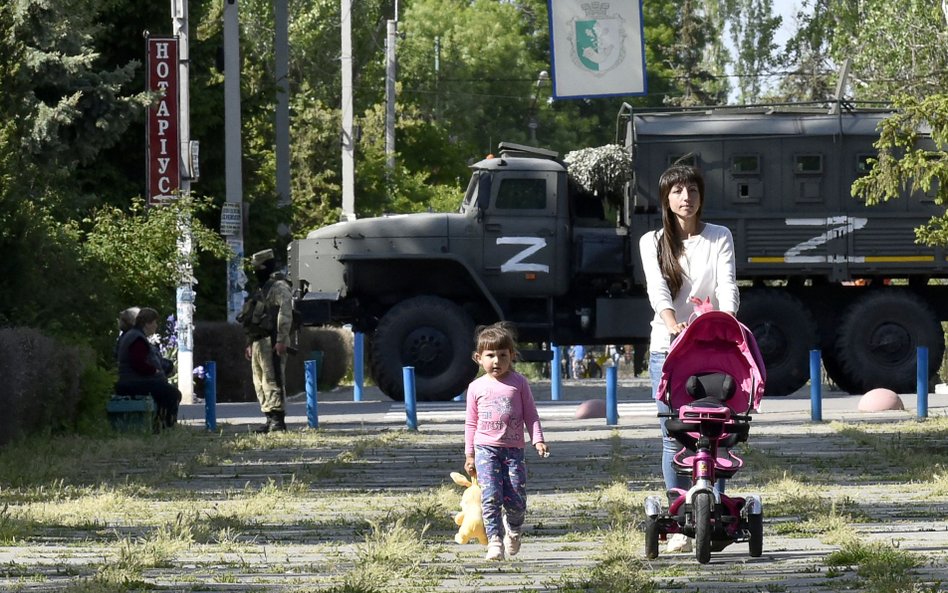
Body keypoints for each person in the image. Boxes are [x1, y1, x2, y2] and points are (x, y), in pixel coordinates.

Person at [638, 164, 739, 552]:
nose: (686, 198)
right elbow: (657, 289)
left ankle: (713, 514)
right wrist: (672, 323)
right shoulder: (653, 241)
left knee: (717, 433)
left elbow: (727, 283)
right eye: (677, 191)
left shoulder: (719, 237)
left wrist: (726, 324)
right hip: (669, 348)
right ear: (666, 198)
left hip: (713, 347)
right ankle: (680, 512)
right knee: (673, 434)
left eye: (692, 190)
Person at [463, 322, 550, 561]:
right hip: (485, 449)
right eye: (490, 355)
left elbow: (530, 414)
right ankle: (494, 541)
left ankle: (513, 529)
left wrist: (538, 440)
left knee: (516, 499)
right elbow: (471, 423)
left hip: (513, 451)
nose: (496, 361)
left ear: (512, 356)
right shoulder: (475, 387)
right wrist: (469, 454)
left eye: (503, 355)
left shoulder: (519, 383)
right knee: (490, 496)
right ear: (479, 358)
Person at [241, 248, 295, 433]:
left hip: (272, 340)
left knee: (273, 379)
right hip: (257, 340)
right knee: (259, 381)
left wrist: (281, 339)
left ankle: (278, 419)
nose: (256, 271)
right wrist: (249, 342)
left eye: (258, 267)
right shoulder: (260, 288)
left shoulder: (278, 287)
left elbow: (285, 312)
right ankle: (268, 417)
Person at [115, 307, 182, 430]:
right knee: (172, 394)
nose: (156, 326)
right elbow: (138, 363)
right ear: (147, 323)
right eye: (155, 322)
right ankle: (165, 425)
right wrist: (154, 371)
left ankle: (160, 424)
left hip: (131, 380)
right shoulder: (137, 338)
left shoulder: (133, 335)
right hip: (133, 382)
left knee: (165, 392)